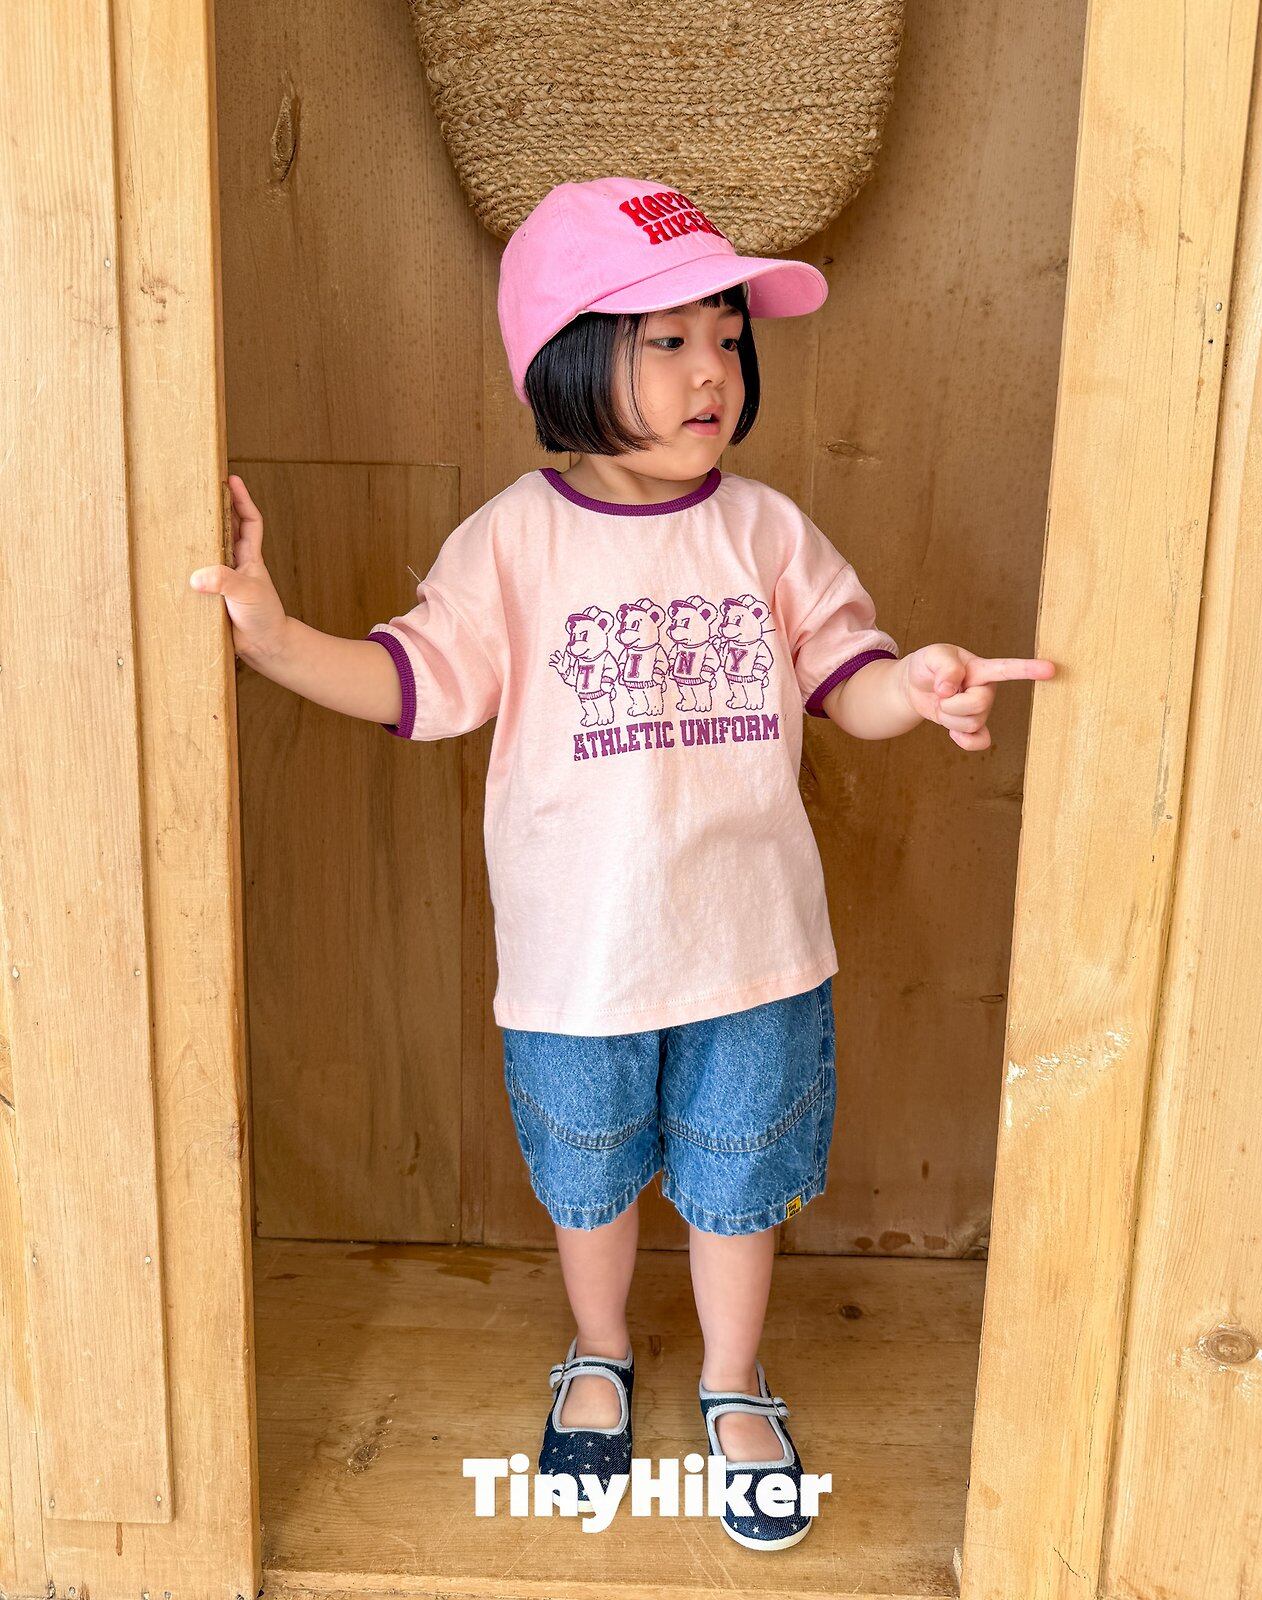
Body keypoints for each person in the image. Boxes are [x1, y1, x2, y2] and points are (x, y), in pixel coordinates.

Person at [190, 176, 1056, 1551]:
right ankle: (598, 1352)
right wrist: (276, 640)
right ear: (568, 358)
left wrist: (924, 687)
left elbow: (852, 679)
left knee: (738, 1182)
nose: (713, 370)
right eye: (669, 341)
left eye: (728, 339)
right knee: (587, 1178)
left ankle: (732, 1379)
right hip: (578, 963)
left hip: (756, 950)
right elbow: (416, 681)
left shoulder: (766, 532)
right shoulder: (511, 542)